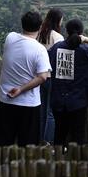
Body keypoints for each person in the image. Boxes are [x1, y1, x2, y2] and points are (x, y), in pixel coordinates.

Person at [48, 19, 88, 145]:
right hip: (78, 101)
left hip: (58, 99)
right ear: (81, 32)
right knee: (78, 135)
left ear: (67, 31)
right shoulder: (86, 51)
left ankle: (58, 162)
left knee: (59, 134)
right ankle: (76, 162)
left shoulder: (55, 49)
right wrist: (85, 39)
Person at [0, 11, 51, 146]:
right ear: (41, 27)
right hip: (29, 104)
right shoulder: (40, 50)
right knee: (27, 145)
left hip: (5, 99)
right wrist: (21, 89)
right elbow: (43, 76)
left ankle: (1, 166)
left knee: (4, 141)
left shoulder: (10, 38)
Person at [36, 8, 65, 143]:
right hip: (52, 77)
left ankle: (39, 139)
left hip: (39, 76)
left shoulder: (39, 34)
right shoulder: (58, 37)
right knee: (51, 112)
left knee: (41, 111)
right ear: (58, 20)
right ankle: (48, 142)